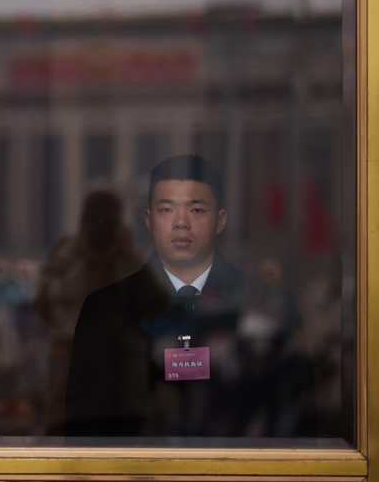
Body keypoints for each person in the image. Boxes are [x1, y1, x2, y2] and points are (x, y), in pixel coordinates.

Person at [63, 155, 317, 439]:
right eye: (166, 209)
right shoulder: (113, 297)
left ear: (219, 219)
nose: (181, 223)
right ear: (149, 220)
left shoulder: (254, 293)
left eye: (196, 210)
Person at [35, 190, 143, 435]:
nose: (100, 232)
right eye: (95, 222)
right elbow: (43, 304)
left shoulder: (125, 258)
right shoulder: (65, 256)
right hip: (71, 375)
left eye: (107, 224)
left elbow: (151, 303)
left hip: (114, 382)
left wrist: (125, 255)